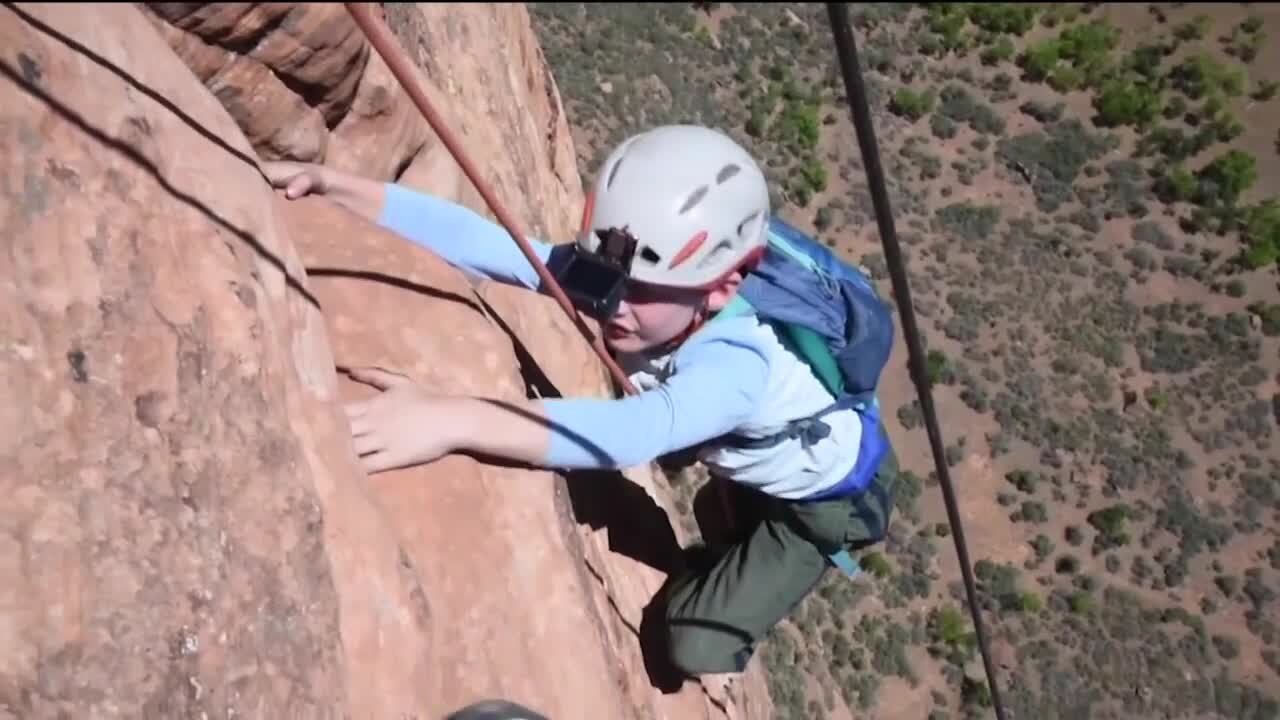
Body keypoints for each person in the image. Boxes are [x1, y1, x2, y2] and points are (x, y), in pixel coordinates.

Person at [262, 124, 899, 678]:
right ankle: (736, 529)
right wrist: (338, 187)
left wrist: (450, 418)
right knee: (715, 507)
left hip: (824, 505)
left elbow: (633, 435)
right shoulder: (641, 281)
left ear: (722, 285)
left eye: (644, 290)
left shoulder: (737, 365)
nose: (614, 304)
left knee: (690, 644)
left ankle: (747, 600)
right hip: (759, 457)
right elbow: (500, 250)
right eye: (608, 278)